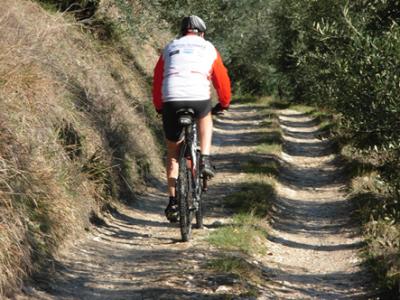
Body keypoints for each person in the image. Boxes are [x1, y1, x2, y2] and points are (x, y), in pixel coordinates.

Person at [152, 15, 231, 222]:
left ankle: (173, 202)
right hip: (198, 98)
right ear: (202, 33)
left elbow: (158, 78)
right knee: (205, 117)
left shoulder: (170, 47)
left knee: (172, 153)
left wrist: (160, 106)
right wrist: (223, 103)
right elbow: (222, 80)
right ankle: (204, 159)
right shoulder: (208, 48)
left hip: (171, 98)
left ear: (182, 32)